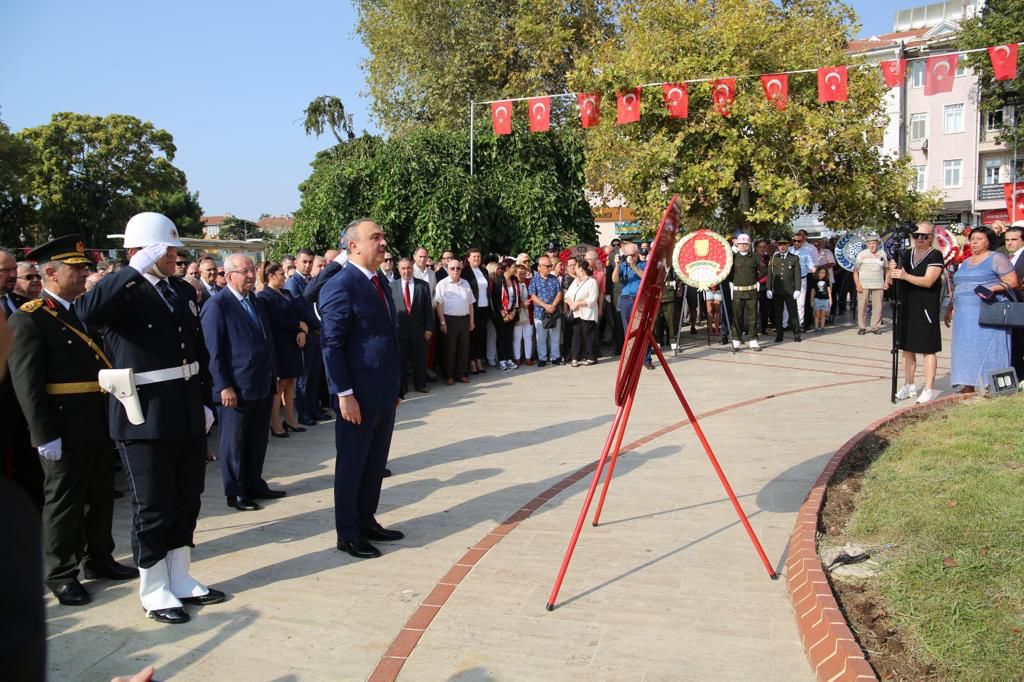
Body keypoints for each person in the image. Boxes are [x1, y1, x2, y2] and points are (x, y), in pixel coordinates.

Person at [76, 212, 224, 625]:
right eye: (167, 249)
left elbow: (196, 350)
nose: (176, 256)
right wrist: (131, 269)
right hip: (143, 415)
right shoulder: (123, 291)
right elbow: (88, 311)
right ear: (142, 250)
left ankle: (180, 577)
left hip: (184, 408)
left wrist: (204, 399)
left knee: (186, 498)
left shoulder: (179, 290)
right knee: (153, 505)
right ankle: (154, 587)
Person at [7, 235, 138, 607]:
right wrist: (43, 433)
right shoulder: (30, 317)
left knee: (100, 495)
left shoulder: (82, 310)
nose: (84, 275)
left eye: (84, 268)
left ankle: (100, 557)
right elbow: (27, 383)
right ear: (50, 272)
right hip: (62, 424)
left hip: (96, 417)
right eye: (76, 269)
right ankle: (62, 573)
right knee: (64, 502)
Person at [319, 218, 404, 559]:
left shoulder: (378, 280)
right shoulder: (341, 285)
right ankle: (348, 533)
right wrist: (344, 393)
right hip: (357, 394)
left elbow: (386, 338)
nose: (383, 243)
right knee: (353, 464)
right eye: (375, 237)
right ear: (353, 246)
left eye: (383, 236)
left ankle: (367, 521)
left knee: (374, 463)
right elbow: (331, 345)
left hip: (383, 391)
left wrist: (396, 387)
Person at [202, 255, 284, 512]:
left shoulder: (255, 302)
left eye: (253, 270)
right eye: (244, 271)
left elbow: (266, 341)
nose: (251, 275)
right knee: (234, 443)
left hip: (261, 383)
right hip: (235, 388)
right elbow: (212, 352)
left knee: (258, 439)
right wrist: (223, 385)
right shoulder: (218, 305)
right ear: (228, 276)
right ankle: (236, 492)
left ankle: (254, 483)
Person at [944, 226, 1019, 392]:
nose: (975, 242)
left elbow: (1012, 281)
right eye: (972, 239)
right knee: (965, 349)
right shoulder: (965, 262)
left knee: (989, 348)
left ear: (988, 242)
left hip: (987, 313)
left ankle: (990, 385)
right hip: (963, 316)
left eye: (979, 239)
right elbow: (959, 286)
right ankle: (967, 384)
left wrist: (993, 289)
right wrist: (949, 307)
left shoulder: (996, 258)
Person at [889, 223, 945, 404]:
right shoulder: (905, 254)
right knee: (907, 348)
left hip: (925, 306)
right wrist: (892, 270)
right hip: (906, 305)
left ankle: (928, 387)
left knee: (928, 348)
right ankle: (909, 384)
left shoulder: (935, 255)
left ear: (931, 237)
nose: (919, 238)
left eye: (924, 235)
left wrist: (905, 276)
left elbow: (929, 281)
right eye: (916, 235)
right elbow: (894, 278)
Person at [256, 261, 307, 437]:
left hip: (292, 344)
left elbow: (297, 312)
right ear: (271, 276)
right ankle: (275, 423)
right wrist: (298, 324)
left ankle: (291, 420)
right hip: (279, 345)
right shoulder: (265, 297)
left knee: (291, 382)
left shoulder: (286, 293)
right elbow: (276, 320)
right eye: (280, 274)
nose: (284, 277)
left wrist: (301, 330)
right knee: (279, 385)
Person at [285, 248, 325, 425]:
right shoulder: (293, 283)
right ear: (296, 262)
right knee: (304, 377)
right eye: (304, 262)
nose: (308, 266)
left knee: (315, 374)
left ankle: (313, 408)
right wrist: (319, 325)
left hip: (316, 334)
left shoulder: (311, 280)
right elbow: (301, 308)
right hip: (305, 334)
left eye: (310, 262)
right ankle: (303, 413)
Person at [391, 257, 433, 395]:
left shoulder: (423, 285)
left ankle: (420, 384)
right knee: (400, 360)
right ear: (398, 269)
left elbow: (428, 309)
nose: (406, 271)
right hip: (399, 330)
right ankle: (401, 387)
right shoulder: (392, 286)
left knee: (420, 358)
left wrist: (429, 327)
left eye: (409, 268)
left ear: (412, 268)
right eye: (403, 268)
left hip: (418, 330)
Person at [434, 259, 475, 384]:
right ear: (448, 269)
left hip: (464, 319)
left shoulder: (466, 283)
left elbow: (470, 304)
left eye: (458, 268)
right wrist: (442, 322)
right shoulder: (442, 284)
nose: (456, 271)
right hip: (449, 320)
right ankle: (449, 376)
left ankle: (461, 374)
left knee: (463, 349)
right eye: (452, 268)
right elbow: (439, 304)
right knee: (449, 350)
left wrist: (471, 321)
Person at [613, 243, 653, 368]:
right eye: (628, 255)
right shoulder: (623, 265)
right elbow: (614, 279)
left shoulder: (643, 264)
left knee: (643, 328)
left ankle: (647, 359)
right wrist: (617, 264)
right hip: (626, 300)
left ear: (637, 254)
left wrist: (634, 266)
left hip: (640, 299)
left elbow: (645, 277)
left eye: (633, 255)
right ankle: (632, 359)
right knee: (628, 331)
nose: (631, 257)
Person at [729, 234, 765, 350]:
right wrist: (731, 282)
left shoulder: (755, 257)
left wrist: (756, 280)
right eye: (741, 244)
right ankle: (736, 340)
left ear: (749, 245)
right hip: (738, 292)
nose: (743, 246)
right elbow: (728, 274)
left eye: (745, 244)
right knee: (737, 317)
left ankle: (753, 340)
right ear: (737, 244)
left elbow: (764, 270)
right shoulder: (733, 258)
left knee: (753, 317)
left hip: (752, 291)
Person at [529, 254, 564, 367]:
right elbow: (533, 296)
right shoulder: (534, 280)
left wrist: (552, 305)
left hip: (554, 312)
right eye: (547, 266)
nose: (550, 268)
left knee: (555, 336)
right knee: (541, 337)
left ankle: (555, 357)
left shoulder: (554, 279)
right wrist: (545, 306)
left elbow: (559, 293)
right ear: (539, 267)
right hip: (540, 314)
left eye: (550, 265)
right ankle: (542, 358)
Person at [767, 236, 802, 343]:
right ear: (778, 246)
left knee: (793, 313)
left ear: (788, 245)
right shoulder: (774, 258)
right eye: (780, 244)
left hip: (790, 290)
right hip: (777, 291)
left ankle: (797, 334)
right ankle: (779, 335)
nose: (782, 247)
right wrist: (769, 288)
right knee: (778, 314)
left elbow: (797, 275)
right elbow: (770, 275)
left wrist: (797, 289)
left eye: (784, 244)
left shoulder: (794, 258)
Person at [566, 258, 599, 366]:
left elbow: (592, 299)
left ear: (580, 268)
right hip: (576, 312)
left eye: (576, 267)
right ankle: (574, 357)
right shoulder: (575, 281)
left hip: (588, 313)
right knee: (576, 334)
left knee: (588, 334)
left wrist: (578, 303)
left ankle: (591, 357)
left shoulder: (592, 281)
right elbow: (567, 295)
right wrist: (571, 304)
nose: (574, 269)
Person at [854, 234, 888, 335]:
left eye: (873, 243)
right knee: (862, 306)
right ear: (867, 244)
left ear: (877, 244)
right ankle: (862, 327)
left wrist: (886, 281)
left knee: (878, 307)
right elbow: (855, 271)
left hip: (878, 284)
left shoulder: (882, 253)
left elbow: (887, 268)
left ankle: (875, 327)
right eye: (869, 243)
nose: (872, 245)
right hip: (864, 284)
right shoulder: (862, 254)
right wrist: (857, 284)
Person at [463, 248, 490, 374]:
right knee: (472, 336)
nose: (476, 259)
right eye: (474, 256)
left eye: (478, 256)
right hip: (473, 308)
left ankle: (479, 359)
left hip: (484, 307)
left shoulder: (484, 271)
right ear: (468, 258)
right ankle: (472, 361)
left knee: (481, 335)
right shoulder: (465, 272)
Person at [490, 259, 520, 371]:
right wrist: (504, 314)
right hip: (501, 315)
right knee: (501, 337)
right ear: (507, 268)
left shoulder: (514, 280)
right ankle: (502, 360)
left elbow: (517, 297)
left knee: (509, 337)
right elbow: (496, 299)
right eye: (514, 266)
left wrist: (513, 312)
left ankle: (509, 359)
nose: (515, 268)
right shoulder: (498, 280)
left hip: (512, 312)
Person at [1004, 224, 1024, 382]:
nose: (1009, 243)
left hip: (1021, 304)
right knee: (1014, 343)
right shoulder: (1003, 257)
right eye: (1007, 240)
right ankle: (1017, 376)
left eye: (1014, 239)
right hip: (1008, 307)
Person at [513, 264, 534, 366]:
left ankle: (528, 358)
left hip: (528, 312)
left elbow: (533, 294)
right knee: (517, 337)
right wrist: (521, 304)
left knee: (528, 336)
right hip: (517, 313)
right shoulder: (513, 283)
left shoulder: (529, 282)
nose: (522, 276)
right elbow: (512, 298)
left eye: (524, 273)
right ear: (515, 273)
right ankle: (517, 358)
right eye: (520, 273)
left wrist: (528, 302)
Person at [810, 266, 831, 333]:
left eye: (824, 273)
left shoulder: (826, 280)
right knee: (817, 314)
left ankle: (822, 327)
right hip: (817, 299)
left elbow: (829, 290)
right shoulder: (814, 280)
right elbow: (813, 291)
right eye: (820, 272)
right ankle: (816, 328)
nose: (822, 274)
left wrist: (830, 299)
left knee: (823, 315)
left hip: (825, 299)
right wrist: (811, 300)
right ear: (817, 272)